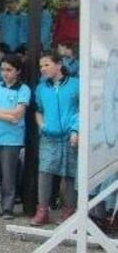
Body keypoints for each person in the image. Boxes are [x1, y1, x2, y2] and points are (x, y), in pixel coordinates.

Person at [31, 54, 79, 226]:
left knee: (70, 174)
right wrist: (42, 126)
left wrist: (76, 129)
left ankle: (69, 212)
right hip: (49, 136)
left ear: (58, 64)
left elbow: (82, 109)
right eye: (41, 66)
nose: (43, 68)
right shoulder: (41, 88)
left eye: (47, 64)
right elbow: (38, 110)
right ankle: (42, 210)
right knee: (45, 172)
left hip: (70, 136)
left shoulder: (75, 84)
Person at [0, 55, 31, 220]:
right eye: (3, 69)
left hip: (12, 139)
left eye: (9, 70)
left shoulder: (23, 89)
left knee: (9, 174)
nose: (5, 73)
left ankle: (8, 207)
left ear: (17, 71)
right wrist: (7, 116)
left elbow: (19, 113)